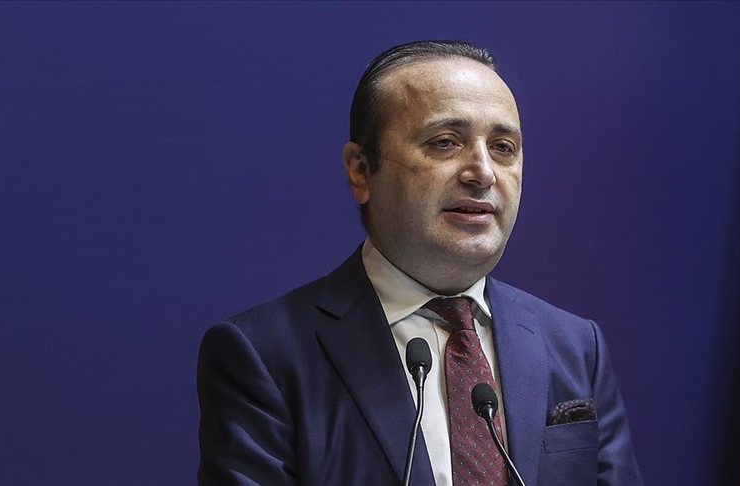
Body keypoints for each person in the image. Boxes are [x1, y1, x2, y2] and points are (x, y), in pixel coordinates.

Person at [197, 40, 643, 486]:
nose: (483, 173)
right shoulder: (264, 354)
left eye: (503, 147)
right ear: (360, 169)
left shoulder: (576, 347)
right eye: (445, 142)